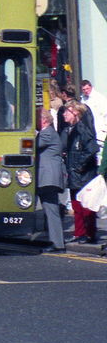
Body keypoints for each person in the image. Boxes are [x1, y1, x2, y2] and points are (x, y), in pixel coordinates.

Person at [62, 101, 100, 244]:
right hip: (74, 173)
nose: (64, 114)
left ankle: (89, 234)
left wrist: (80, 165)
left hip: (84, 174)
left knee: (86, 206)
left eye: (67, 111)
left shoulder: (83, 129)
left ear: (75, 113)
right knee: (76, 205)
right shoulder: (69, 130)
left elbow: (92, 149)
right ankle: (79, 233)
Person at [36, 107, 67, 252]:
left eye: (35, 119)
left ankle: (57, 243)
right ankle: (55, 241)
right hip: (46, 178)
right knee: (51, 210)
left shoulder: (47, 134)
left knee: (51, 210)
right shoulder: (48, 133)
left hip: (47, 179)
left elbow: (31, 146)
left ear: (43, 120)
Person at [80, 79, 107, 158]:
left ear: (91, 87)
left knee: (100, 154)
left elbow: (106, 113)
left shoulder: (99, 98)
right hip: (88, 130)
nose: (86, 91)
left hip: (99, 131)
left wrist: (104, 129)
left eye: (87, 89)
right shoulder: (83, 99)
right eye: (84, 89)